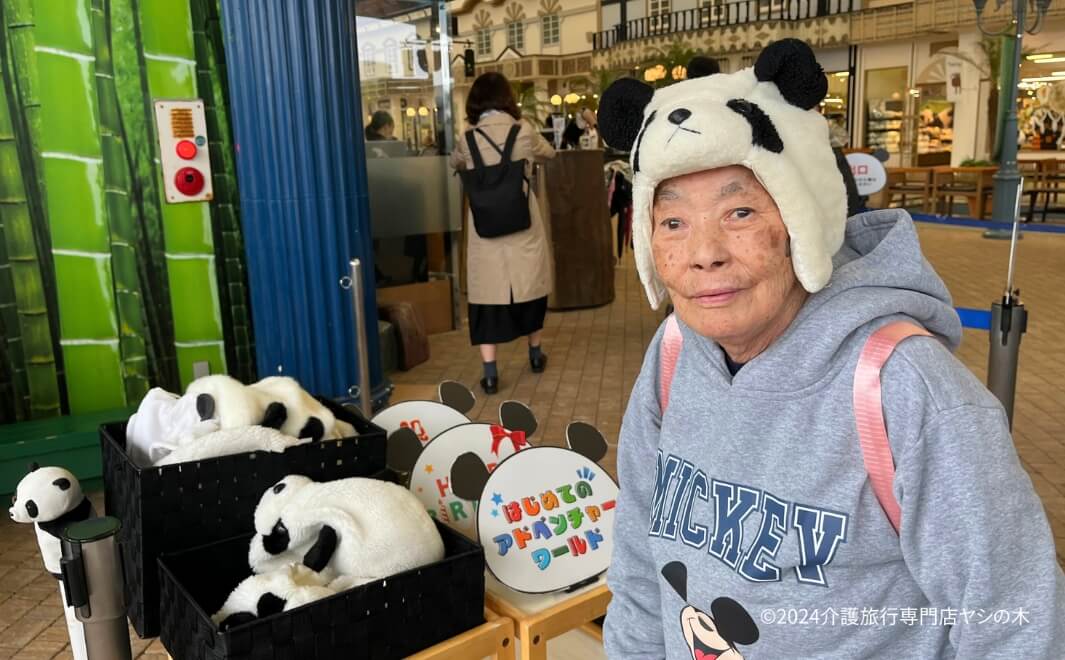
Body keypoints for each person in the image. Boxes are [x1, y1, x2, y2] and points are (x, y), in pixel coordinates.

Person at [597, 39, 1064, 659]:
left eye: (739, 211)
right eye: (673, 221)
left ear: (804, 216)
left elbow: (1015, 621)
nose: (702, 253)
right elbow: (638, 565)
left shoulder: (904, 388)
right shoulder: (675, 353)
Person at [449, 72, 556, 394]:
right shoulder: (523, 131)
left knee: (488, 297)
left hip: (486, 230)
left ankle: (491, 373)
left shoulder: (467, 138)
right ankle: (535, 355)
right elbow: (549, 153)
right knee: (529, 289)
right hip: (523, 225)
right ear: (506, 99)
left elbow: (455, 164)